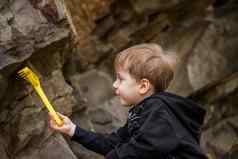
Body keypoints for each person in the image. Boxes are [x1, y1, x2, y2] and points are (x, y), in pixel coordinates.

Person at [49, 43, 208, 159]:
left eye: (120, 79)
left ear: (143, 86)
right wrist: (74, 130)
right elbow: (114, 143)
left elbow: (148, 147)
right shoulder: (142, 112)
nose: (114, 84)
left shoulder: (159, 111)